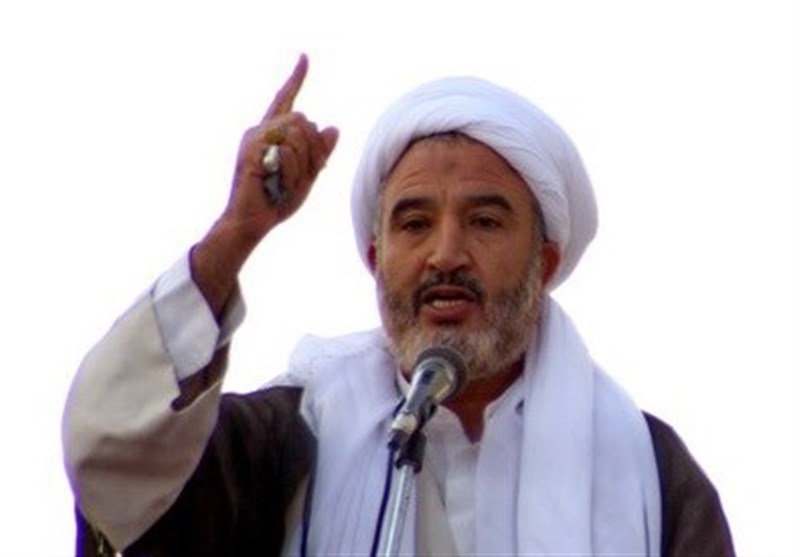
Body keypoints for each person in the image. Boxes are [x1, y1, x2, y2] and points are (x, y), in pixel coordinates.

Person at [63, 55, 735, 556]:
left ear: (546, 263)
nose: (445, 254)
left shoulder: (649, 472)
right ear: (375, 258)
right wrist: (236, 233)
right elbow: (110, 458)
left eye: (484, 222)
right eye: (414, 224)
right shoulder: (291, 437)